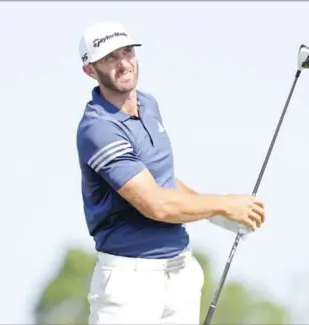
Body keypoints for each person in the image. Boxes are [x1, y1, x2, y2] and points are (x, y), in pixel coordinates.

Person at [75, 21, 266, 325]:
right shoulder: (98, 128)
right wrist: (223, 203)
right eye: (110, 57)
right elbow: (155, 204)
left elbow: (161, 180)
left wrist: (218, 217)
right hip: (130, 282)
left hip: (180, 273)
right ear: (90, 70)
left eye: (127, 52)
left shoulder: (149, 105)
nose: (124, 63)